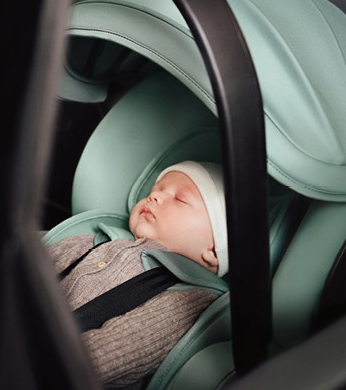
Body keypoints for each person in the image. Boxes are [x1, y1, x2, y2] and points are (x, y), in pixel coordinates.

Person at [47, 161, 227, 388]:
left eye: (180, 199)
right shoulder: (94, 240)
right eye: (154, 190)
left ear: (213, 250)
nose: (154, 197)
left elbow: (108, 354)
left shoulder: (188, 299)